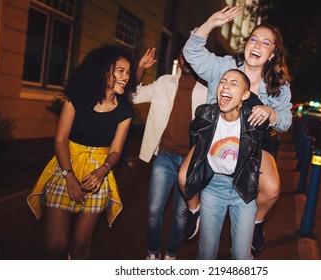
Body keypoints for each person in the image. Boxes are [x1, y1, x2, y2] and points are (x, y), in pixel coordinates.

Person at [182, 5, 292, 253]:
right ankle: (193, 211)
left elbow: (286, 120)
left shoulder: (278, 85)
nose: (257, 46)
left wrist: (272, 113)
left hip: (255, 142)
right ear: (246, 44)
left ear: (273, 54)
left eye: (266, 43)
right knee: (183, 177)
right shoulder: (225, 67)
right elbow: (192, 54)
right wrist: (210, 23)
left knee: (272, 188)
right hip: (216, 136)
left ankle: (258, 221)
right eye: (254, 39)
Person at [27, 44, 136, 259]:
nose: (126, 76)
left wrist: (102, 170)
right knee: (55, 244)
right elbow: (60, 139)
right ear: (104, 71)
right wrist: (68, 175)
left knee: (81, 244)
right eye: (120, 71)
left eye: (128, 72)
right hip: (66, 165)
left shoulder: (125, 111)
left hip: (98, 173)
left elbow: (115, 151)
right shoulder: (76, 98)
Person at [178, 69, 268, 259]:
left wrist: (270, 110)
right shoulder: (205, 114)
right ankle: (195, 213)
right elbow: (194, 134)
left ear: (245, 95)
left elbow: (270, 141)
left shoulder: (254, 122)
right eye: (223, 82)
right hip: (212, 188)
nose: (226, 86)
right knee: (206, 254)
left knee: (241, 257)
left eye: (234, 83)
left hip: (243, 190)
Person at [133, 47, 207, 260]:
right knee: (154, 210)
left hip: (190, 160)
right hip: (164, 156)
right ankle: (153, 253)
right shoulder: (165, 82)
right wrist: (140, 68)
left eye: (192, 56)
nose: (187, 61)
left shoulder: (208, 88)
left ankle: (171, 255)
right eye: (184, 55)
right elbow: (135, 96)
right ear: (179, 59)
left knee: (181, 213)